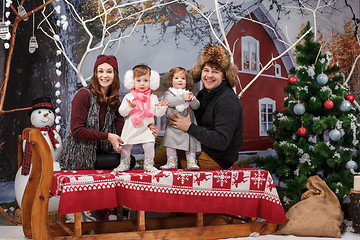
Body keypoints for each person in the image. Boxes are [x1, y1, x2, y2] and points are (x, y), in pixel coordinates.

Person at [155, 44, 243, 170]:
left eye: (215, 71)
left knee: (173, 167)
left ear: (224, 76)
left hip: (216, 157)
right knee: (154, 160)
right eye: (206, 70)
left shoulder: (227, 100)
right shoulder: (203, 94)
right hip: (196, 147)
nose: (209, 75)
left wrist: (188, 127)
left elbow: (221, 141)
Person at [113, 64, 169, 172]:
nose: (142, 83)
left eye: (145, 80)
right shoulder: (129, 97)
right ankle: (124, 163)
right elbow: (122, 112)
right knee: (126, 146)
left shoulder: (153, 98)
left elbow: (157, 114)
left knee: (149, 145)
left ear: (151, 81)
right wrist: (129, 107)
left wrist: (162, 108)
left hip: (146, 128)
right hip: (131, 127)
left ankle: (148, 164)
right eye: (138, 80)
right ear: (132, 81)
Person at [160, 67, 200, 170]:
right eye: (176, 78)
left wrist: (192, 99)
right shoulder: (169, 93)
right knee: (170, 143)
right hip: (173, 125)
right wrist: (182, 97)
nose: (180, 80)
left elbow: (196, 106)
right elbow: (171, 102)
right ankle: (171, 162)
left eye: (183, 78)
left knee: (190, 142)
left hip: (187, 123)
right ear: (171, 80)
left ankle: (191, 162)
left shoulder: (189, 93)